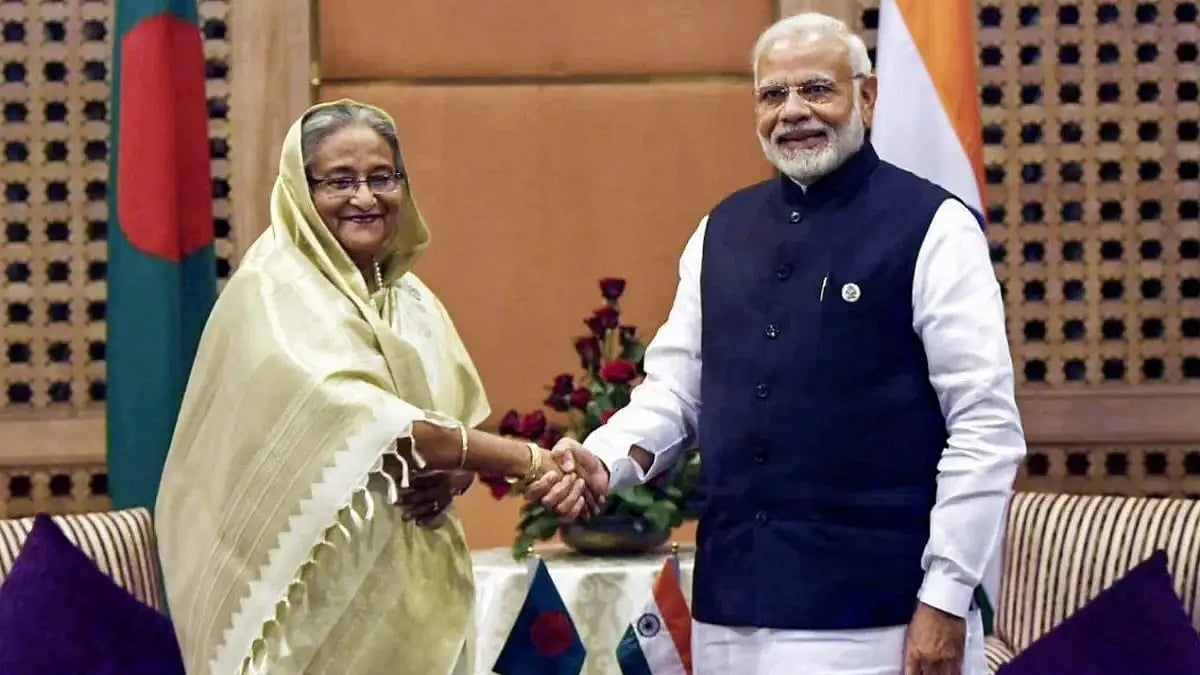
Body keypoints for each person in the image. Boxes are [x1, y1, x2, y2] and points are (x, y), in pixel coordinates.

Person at [528, 13, 1026, 675]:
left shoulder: (934, 227)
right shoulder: (721, 229)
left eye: (817, 89)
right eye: (772, 95)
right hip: (729, 608)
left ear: (867, 98)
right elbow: (674, 392)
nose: (793, 111)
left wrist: (944, 597)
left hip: (876, 615)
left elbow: (985, 428)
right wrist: (604, 460)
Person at [154, 99, 589, 675]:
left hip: (410, 596)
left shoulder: (407, 297)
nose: (365, 198)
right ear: (300, 190)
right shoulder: (273, 292)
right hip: (306, 609)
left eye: (382, 177)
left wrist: (455, 475)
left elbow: (453, 427)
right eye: (340, 181)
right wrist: (529, 460)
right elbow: (382, 424)